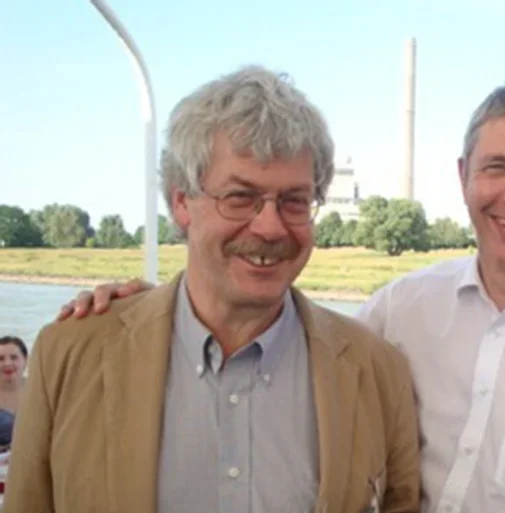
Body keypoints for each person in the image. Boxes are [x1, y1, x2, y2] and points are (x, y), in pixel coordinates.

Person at [54, 77, 505, 513]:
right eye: (497, 167)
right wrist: (143, 313)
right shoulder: (396, 313)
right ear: (462, 177)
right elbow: (247, 304)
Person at [5, 65, 421, 513]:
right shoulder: (70, 354)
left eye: (293, 201)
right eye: (240, 197)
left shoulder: (378, 372)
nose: (269, 226)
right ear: (181, 201)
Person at [0, 335, 28, 450]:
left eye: (14, 357)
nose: (7, 363)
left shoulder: (40, 389)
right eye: (0, 359)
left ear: (25, 360)